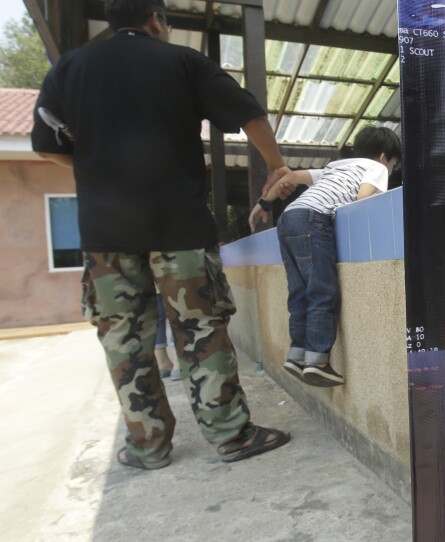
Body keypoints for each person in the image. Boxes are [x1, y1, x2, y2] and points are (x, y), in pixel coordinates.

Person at [31, 0, 291, 470]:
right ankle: (232, 436)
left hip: (106, 236)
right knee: (200, 331)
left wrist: (96, 172)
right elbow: (249, 113)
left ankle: (148, 446)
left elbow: (46, 146)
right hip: (179, 229)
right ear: (156, 19)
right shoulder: (183, 62)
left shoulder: (69, 68)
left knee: (123, 339)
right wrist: (278, 166)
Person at [249, 125, 400, 387]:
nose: (390, 171)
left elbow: (288, 179)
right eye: (393, 166)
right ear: (384, 156)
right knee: (322, 291)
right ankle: (317, 361)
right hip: (311, 220)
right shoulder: (375, 167)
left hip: (289, 219)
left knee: (299, 291)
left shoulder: (335, 167)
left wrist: (262, 205)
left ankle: (297, 355)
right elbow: (363, 197)